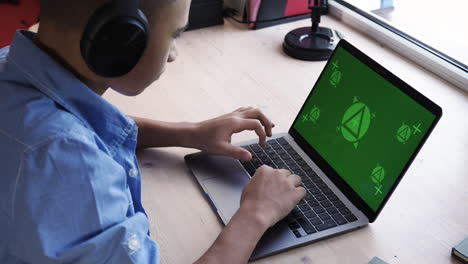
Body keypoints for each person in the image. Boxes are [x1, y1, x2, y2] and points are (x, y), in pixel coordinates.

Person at [0, 0, 305, 263]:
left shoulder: (9, 65)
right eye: (175, 35)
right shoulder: (70, 162)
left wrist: (191, 133)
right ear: (121, 38)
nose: (173, 54)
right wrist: (255, 214)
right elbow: (69, 143)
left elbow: (81, 127)